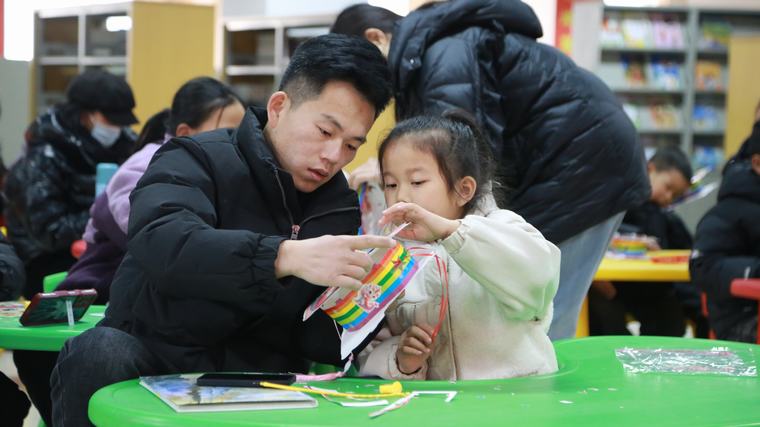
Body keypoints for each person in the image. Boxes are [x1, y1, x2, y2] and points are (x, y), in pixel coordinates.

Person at [50, 34, 394, 426]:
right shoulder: (194, 157)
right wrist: (283, 256)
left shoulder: (336, 204)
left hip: (261, 380)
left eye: (352, 145)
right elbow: (163, 242)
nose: (334, 157)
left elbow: (314, 338)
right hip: (154, 360)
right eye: (325, 132)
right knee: (99, 351)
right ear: (280, 106)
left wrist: (370, 316)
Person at [331, 0, 650, 340]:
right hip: (575, 160)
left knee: (539, 307)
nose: (369, 89)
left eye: (363, 73)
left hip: (584, 165)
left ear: (377, 37)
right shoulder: (429, 52)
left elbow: (462, 149)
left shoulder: (442, 52)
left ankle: (540, 390)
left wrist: (389, 176)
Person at [359, 112, 560, 380]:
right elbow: (365, 347)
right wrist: (401, 360)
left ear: (463, 189)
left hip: (515, 403)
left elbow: (536, 280)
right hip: (443, 410)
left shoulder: (502, 227)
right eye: (390, 184)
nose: (401, 196)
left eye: (417, 182)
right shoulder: (390, 258)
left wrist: (448, 231)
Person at [2, 70, 138, 425]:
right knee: (43, 356)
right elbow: (47, 227)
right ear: (86, 114)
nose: (117, 128)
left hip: (98, 257)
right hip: (48, 262)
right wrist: (102, 217)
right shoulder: (43, 156)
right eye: (110, 119)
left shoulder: (128, 146)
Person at [58, 77, 246, 303]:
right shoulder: (142, 170)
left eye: (241, 133)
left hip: (161, 298)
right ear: (185, 132)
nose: (237, 143)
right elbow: (163, 248)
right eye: (227, 133)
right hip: (99, 299)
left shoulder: (220, 170)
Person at [589, 147, 692, 337]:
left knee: (671, 318)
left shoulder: (661, 213)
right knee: (608, 323)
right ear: (650, 169)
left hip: (645, 286)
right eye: (668, 187)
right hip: (607, 283)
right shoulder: (618, 194)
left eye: (676, 195)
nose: (668, 198)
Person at [690, 113, 760, 343]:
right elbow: (702, 264)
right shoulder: (732, 206)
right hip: (742, 317)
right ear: (757, 163)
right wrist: (754, 270)